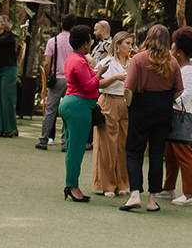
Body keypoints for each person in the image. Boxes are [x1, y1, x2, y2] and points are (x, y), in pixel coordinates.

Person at [121, 24, 183, 212]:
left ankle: (134, 195)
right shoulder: (172, 62)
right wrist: (165, 100)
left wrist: (130, 104)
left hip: (141, 105)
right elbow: (179, 90)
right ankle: (152, 200)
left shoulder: (138, 59)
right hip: (163, 107)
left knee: (134, 151)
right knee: (156, 154)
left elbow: (127, 88)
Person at [157, 26, 192, 207]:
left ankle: (189, 194)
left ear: (180, 52)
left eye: (173, 48)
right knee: (171, 153)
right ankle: (168, 187)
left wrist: (166, 98)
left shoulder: (189, 72)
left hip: (184, 117)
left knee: (184, 154)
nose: (170, 51)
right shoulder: (182, 68)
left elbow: (185, 97)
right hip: (177, 115)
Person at [60, 24, 99, 202]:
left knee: (72, 147)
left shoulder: (72, 58)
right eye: (90, 41)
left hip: (72, 103)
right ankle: (72, 185)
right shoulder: (80, 61)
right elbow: (89, 85)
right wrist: (101, 75)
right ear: (85, 44)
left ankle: (72, 183)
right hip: (79, 106)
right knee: (76, 149)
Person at [92, 31, 133, 196]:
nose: (130, 47)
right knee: (107, 145)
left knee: (123, 144)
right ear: (117, 45)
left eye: (131, 44)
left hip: (127, 103)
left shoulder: (132, 63)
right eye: (127, 43)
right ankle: (106, 184)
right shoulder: (107, 62)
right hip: (109, 101)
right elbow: (97, 83)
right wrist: (115, 77)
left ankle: (121, 183)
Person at [37, 16, 75, 150]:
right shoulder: (74, 42)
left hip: (56, 79)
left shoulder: (53, 41)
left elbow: (47, 62)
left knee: (50, 110)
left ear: (61, 25)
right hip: (71, 80)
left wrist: (47, 76)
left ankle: (43, 140)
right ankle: (65, 142)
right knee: (68, 111)